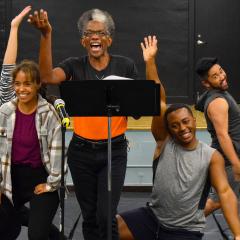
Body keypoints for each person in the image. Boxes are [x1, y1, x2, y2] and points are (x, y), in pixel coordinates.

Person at [28, 8, 138, 240]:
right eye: (89, 33)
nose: (94, 37)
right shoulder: (73, 66)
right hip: (81, 153)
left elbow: (136, 108)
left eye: (100, 33)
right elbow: (46, 77)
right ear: (83, 41)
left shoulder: (125, 66)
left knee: (106, 215)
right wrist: (46, 35)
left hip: (113, 151)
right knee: (89, 216)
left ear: (109, 39)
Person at [116, 37, 240, 240]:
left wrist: (237, 234)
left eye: (185, 122)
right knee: (108, 229)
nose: (182, 128)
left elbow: (225, 193)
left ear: (194, 118)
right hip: (152, 218)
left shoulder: (211, 156)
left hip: (184, 231)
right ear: (169, 129)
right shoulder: (164, 143)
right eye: (174, 125)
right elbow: (159, 99)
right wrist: (150, 62)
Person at [0, 7, 65, 240]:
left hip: (40, 176)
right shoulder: (6, 109)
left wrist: (50, 185)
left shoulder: (49, 114)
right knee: (5, 228)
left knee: (37, 236)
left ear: (38, 84)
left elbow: (58, 157)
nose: (21, 89)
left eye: (27, 84)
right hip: (11, 177)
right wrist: (15, 27)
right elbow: (7, 72)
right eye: (18, 84)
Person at [195, 57, 240, 217]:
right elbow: (223, 135)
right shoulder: (217, 102)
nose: (222, 76)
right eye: (215, 76)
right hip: (229, 160)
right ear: (206, 83)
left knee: (223, 199)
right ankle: (179, 226)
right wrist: (236, 164)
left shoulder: (220, 94)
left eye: (220, 71)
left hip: (231, 157)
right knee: (218, 201)